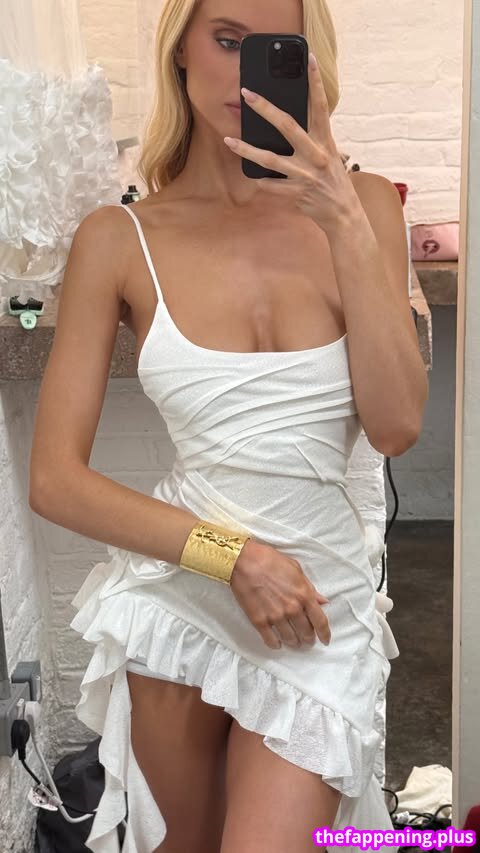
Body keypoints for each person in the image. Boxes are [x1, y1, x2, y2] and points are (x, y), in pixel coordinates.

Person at [29, 0, 427, 851]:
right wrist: (233, 555)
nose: (245, 74)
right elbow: (56, 479)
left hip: (318, 609)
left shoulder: (364, 207)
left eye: (271, 48)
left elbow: (396, 425)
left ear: (309, 63)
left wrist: (342, 219)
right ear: (180, 49)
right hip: (185, 598)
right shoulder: (118, 238)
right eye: (225, 40)